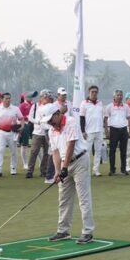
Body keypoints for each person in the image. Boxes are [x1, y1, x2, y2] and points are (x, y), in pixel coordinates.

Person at [46, 103, 95, 244]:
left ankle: (88, 232)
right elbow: (55, 152)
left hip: (79, 161)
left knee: (83, 198)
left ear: (57, 114)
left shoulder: (71, 122)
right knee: (64, 198)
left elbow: (71, 145)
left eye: (51, 120)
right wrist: (57, 171)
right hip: (64, 164)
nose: (50, 124)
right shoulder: (51, 130)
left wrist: (64, 168)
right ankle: (63, 231)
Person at [0, 92, 24, 176]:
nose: (8, 100)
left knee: (14, 151)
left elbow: (21, 118)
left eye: (9, 98)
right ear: (2, 99)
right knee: (0, 150)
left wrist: (22, 127)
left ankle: (13, 168)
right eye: (6, 98)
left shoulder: (15, 109)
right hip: (1, 132)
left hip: (12, 133)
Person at [81, 86, 107, 176]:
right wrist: (83, 131)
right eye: (92, 92)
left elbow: (103, 117)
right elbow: (82, 118)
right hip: (89, 131)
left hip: (99, 130)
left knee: (98, 151)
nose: (94, 93)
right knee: (87, 151)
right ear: (89, 92)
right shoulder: (84, 103)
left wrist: (104, 128)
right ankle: (86, 170)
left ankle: (96, 170)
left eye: (96, 92)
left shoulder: (100, 103)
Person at [26, 90, 53, 179]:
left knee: (47, 153)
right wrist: (38, 122)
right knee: (34, 152)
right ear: (42, 97)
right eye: (46, 97)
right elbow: (29, 117)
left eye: (48, 97)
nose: (48, 99)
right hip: (37, 132)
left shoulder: (50, 107)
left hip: (48, 132)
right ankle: (30, 171)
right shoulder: (35, 106)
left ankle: (44, 170)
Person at [106, 90, 130, 176]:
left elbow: (129, 118)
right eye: (118, 95)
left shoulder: (126, 106)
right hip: (113, 129)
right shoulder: (109, 106)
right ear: (114, 96)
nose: (120, 97)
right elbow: (105, 119)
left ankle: (123, 169)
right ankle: (112, 170)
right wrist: (107, 130)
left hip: (123, 129)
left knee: (123, 150)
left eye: (121, 95)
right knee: (112, 150)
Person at [18, 90, 38, 165]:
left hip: (34, 125)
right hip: (26, 125)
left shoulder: (34, 105)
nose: (31, 98)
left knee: (36, 144)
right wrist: (27, 117)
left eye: (32, 96)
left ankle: (41, 162)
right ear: (25, 97)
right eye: (29, 96)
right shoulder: (22, 105)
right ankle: (25, 163)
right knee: (25, 144)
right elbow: (19, 117)